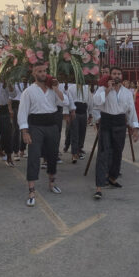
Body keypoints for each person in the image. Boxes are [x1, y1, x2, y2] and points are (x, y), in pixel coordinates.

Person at [17, 62, 65, 206]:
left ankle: (52, 183)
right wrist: (24, 132)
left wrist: (56, 89)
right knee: (33, 156)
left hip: (52, 125)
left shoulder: (52, 89)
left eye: (45, 71)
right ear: (34, 73)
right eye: (40, 71)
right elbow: (22, 112)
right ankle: (31, 191)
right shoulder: (28, 92)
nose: (43, 74)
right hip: (35, 126)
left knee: (52, 155)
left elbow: (65, 102)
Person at [92, 67, 139, 199]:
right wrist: (107, 89)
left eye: (119, 74)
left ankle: (112, 178)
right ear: (110, 75)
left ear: (122, 76)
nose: (116, 76)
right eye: (114, 74)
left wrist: (134, 128)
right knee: (103, 153)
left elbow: (131, 110)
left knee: (118, 152)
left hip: (120, 122)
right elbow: (96, 102)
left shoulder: (127, 92)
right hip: (106, 121)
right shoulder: (102, 89)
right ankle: (99, 186)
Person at [68, 82, 92, 163]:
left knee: (82, 132)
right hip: (75, 112)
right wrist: (71, 111)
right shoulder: (71, 88)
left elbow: (90, 101)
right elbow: (69, 100)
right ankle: (74, 153)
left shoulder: (86, 88)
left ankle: (79, 150)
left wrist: (90, 113)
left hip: (84, 112)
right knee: (75, 133)